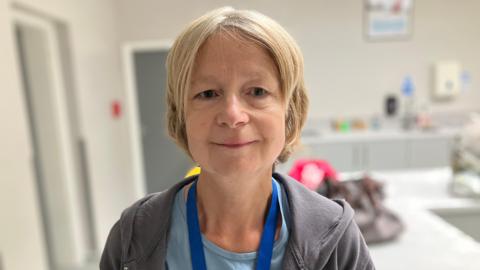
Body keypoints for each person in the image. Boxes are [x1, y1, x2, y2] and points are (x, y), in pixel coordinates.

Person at [100, 7, 375, 270]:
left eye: (256, 91)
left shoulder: (336, 237)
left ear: (289, 111)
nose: (232, 115)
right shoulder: (133, 237)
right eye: (208, 94)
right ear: (180, 114)